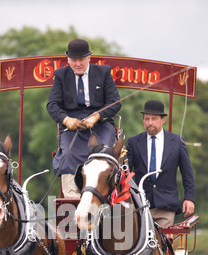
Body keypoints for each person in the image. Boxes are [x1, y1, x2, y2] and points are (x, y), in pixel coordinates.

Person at [47, 38, 121, 197]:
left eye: (81, 60)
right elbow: (52, 105)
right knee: (68, 153)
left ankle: (104, 194)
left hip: (100, 125)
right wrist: (67, 120)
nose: (78, 64)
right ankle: (72, 198)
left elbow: (115, 102)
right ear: (68, 60)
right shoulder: (60, 75)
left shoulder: (103, 72)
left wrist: (96, 117)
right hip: (72, 126)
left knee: (104, 151)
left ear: (89, 58)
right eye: (73, 60)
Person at [126, 100, 195, 227]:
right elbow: (125, 173)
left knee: (162, 245)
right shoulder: (133, 142)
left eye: (154, 119)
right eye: (146, 119)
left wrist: (189, 198)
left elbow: (187, 173)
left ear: (163, 120)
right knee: (142, 245)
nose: (150, 123)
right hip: (139, 206)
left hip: (166, 206)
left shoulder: (177, 141)